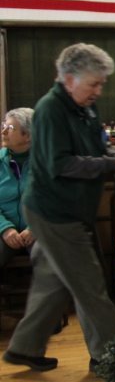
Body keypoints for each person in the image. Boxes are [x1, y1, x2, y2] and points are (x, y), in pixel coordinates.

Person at [3, 44, 115, 372]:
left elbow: (97, 144)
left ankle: (24, 347)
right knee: (89, 284)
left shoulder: (85, 106)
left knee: (53, 282)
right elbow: (59, 164)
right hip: (53, 212)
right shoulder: (49, 110)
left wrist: (112, 155)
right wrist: (106, 165)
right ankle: (114, 356)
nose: (99, 91)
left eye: (101, 84)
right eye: (94, 84)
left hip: (72, 210)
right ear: (70, 79)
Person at [1, 108, 34, 269]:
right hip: (3, 232)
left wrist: (35, 228)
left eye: (10, 128)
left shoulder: (47, 162)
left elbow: (57, 201)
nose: (3, 132)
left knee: (49, 259)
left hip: (39, 230)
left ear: (28, 135)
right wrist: (5, 229)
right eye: (4, 126)